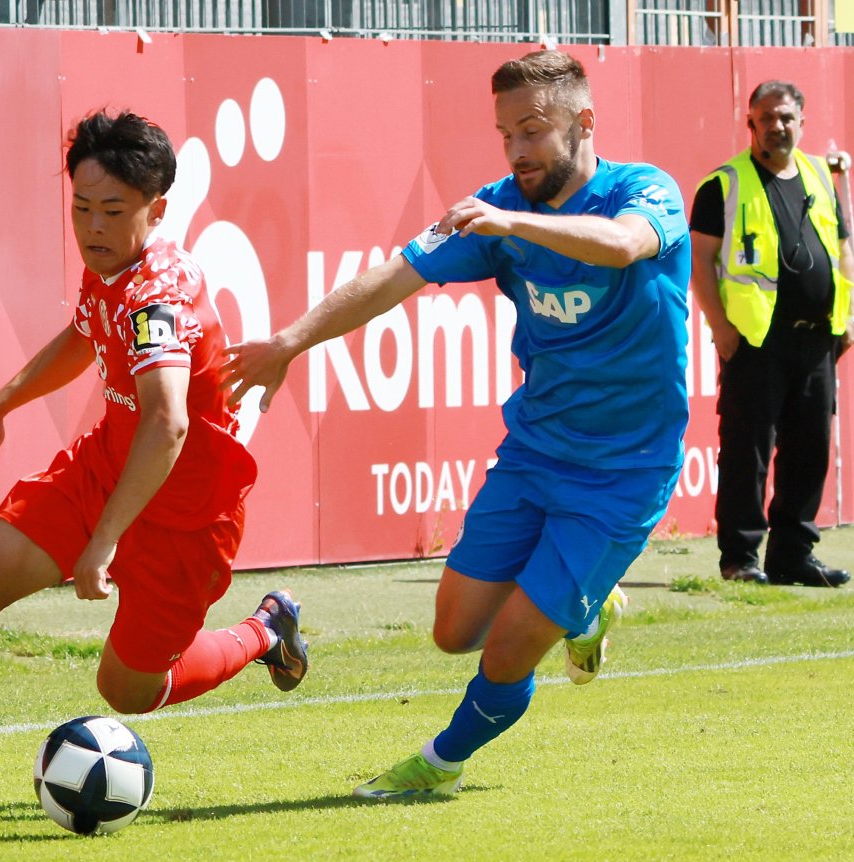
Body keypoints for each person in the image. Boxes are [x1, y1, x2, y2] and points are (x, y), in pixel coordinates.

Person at [221, 50, 690, 798]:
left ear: (586, 122)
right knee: (453, 631)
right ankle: (588, 605)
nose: (517, 151)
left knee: (504, 652)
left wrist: (513, 223)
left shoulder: (640, 191)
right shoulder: (499, 205)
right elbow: (394, 276)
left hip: (625, 470)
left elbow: (626, 244)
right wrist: (289, 342)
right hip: (534, 453)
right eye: (506, 134)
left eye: (532, 130)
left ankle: (439, 764)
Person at [0, 110, 308, 812]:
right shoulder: (112, 272)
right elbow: (84, 335)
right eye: (81, 207)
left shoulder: (156, 297)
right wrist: (3, 400)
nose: (92, 227)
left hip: (186, 514)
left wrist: (103, 540)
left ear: (157, 210)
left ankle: (264, 630)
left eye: (113, 210)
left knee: (128, 691)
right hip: (105, 469)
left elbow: (167, 423)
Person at [689, 80, 853, 588]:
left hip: (816, 338)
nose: (777, 127)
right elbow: (700, 260)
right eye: (767, 118)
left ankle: (793, 554)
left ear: (801, 122)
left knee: (810, 448)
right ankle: (740, 557)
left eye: (786, 118)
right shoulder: (724, 183)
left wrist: (845, 318)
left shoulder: (819, 178)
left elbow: (842, 248)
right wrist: (721, 329)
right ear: (751, 123)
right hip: (755, 338)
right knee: (748, 450)